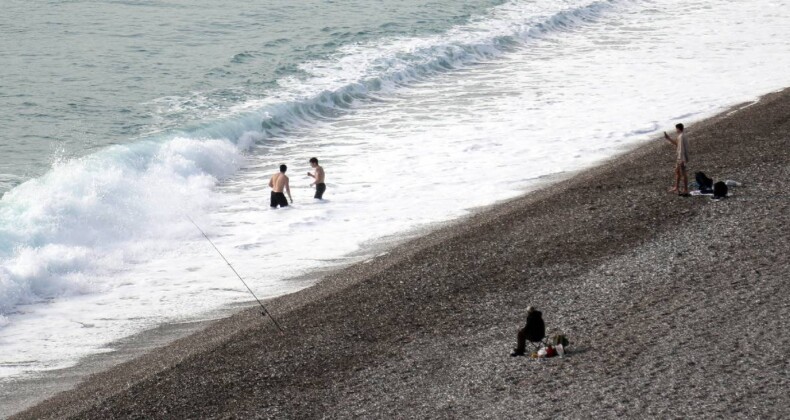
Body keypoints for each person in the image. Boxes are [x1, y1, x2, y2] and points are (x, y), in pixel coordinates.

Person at [664, 123, 689, 195]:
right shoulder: (681, 136)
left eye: (676, 129)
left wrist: (682, 159)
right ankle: (676, 187)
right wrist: (668, 138)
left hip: (681, 158)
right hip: (680, 157)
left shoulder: (681, 136)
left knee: (683, 173)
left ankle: (686, 190)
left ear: (678, 128)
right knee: (677, 172)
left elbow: (681, 148)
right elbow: (677, 144)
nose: (676, 130)